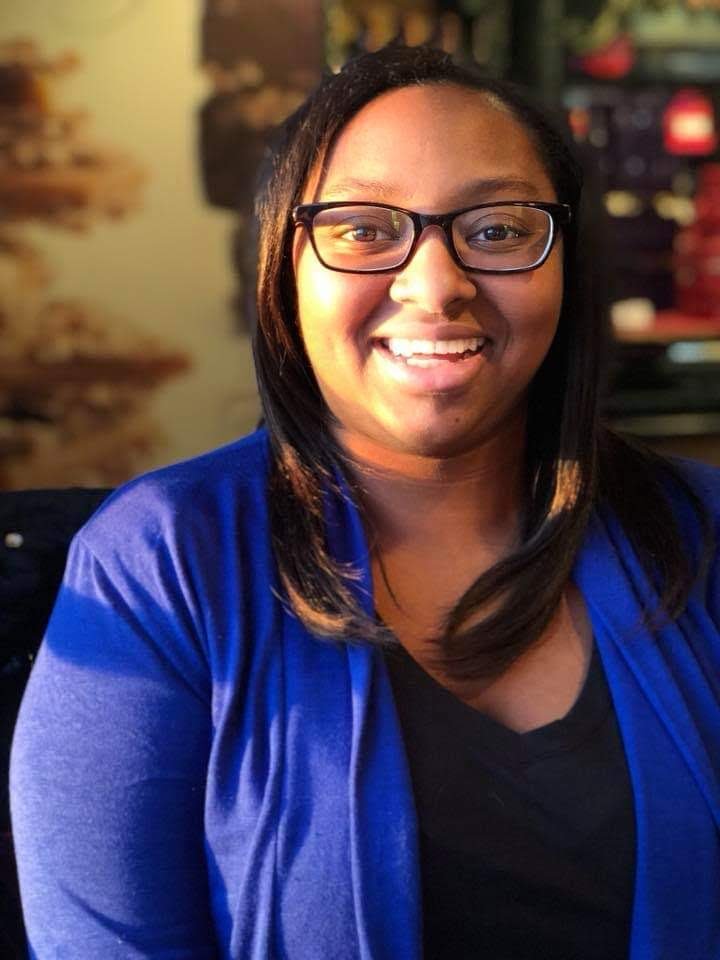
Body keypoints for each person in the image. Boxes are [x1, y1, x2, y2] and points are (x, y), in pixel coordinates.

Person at [10, 43, 720, 960]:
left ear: (568, 265)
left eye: (499, 229)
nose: (437, 286)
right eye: (364, 229)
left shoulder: (701, 535)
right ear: (284, 271)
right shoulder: (159, 565)